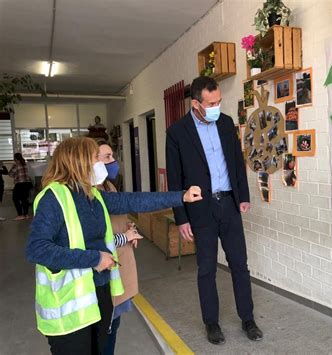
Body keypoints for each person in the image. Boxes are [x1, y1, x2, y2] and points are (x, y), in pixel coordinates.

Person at [26, 137, 202, 355]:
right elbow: (37, 249)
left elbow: (133, 201)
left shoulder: (93, 195)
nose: (100, 165)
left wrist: (181, 196)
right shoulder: (53, 198)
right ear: (78, 162)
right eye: (95, 159)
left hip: (98, 293)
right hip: (68, 307)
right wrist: (95, 259)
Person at [166, 76, 263, 345]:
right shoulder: (177, 132)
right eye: (211, 103)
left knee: (240, 266)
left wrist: (242, 196)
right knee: (206, 269)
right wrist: (181, 218)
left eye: (219, 101)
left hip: (229, 204)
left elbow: (236, 161)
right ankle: (212, 323)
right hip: (201, 210)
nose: (216, 106)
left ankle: (248, 319)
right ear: (196, 103)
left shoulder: (226, 123)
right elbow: (175, 179)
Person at [96, 139, 141, 355]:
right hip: (106, 274)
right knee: (106, 332)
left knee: (113, 328)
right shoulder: (88, 194)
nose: (113, 162)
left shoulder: (109, 186)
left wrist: (129, 227)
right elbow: (92, 243)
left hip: (120, 273)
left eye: (112, 156)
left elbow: (118, 219)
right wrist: (124, 237)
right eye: (107, 157)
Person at [9, 152, 33, 220]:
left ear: (15, 158)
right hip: (27, 184)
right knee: (24, 199)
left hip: (20, 184)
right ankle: (26, 214)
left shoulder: (16, 165)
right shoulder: (25, 164)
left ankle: (20, 215)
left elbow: (10, 174)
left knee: (15, 199)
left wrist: (15, 176)